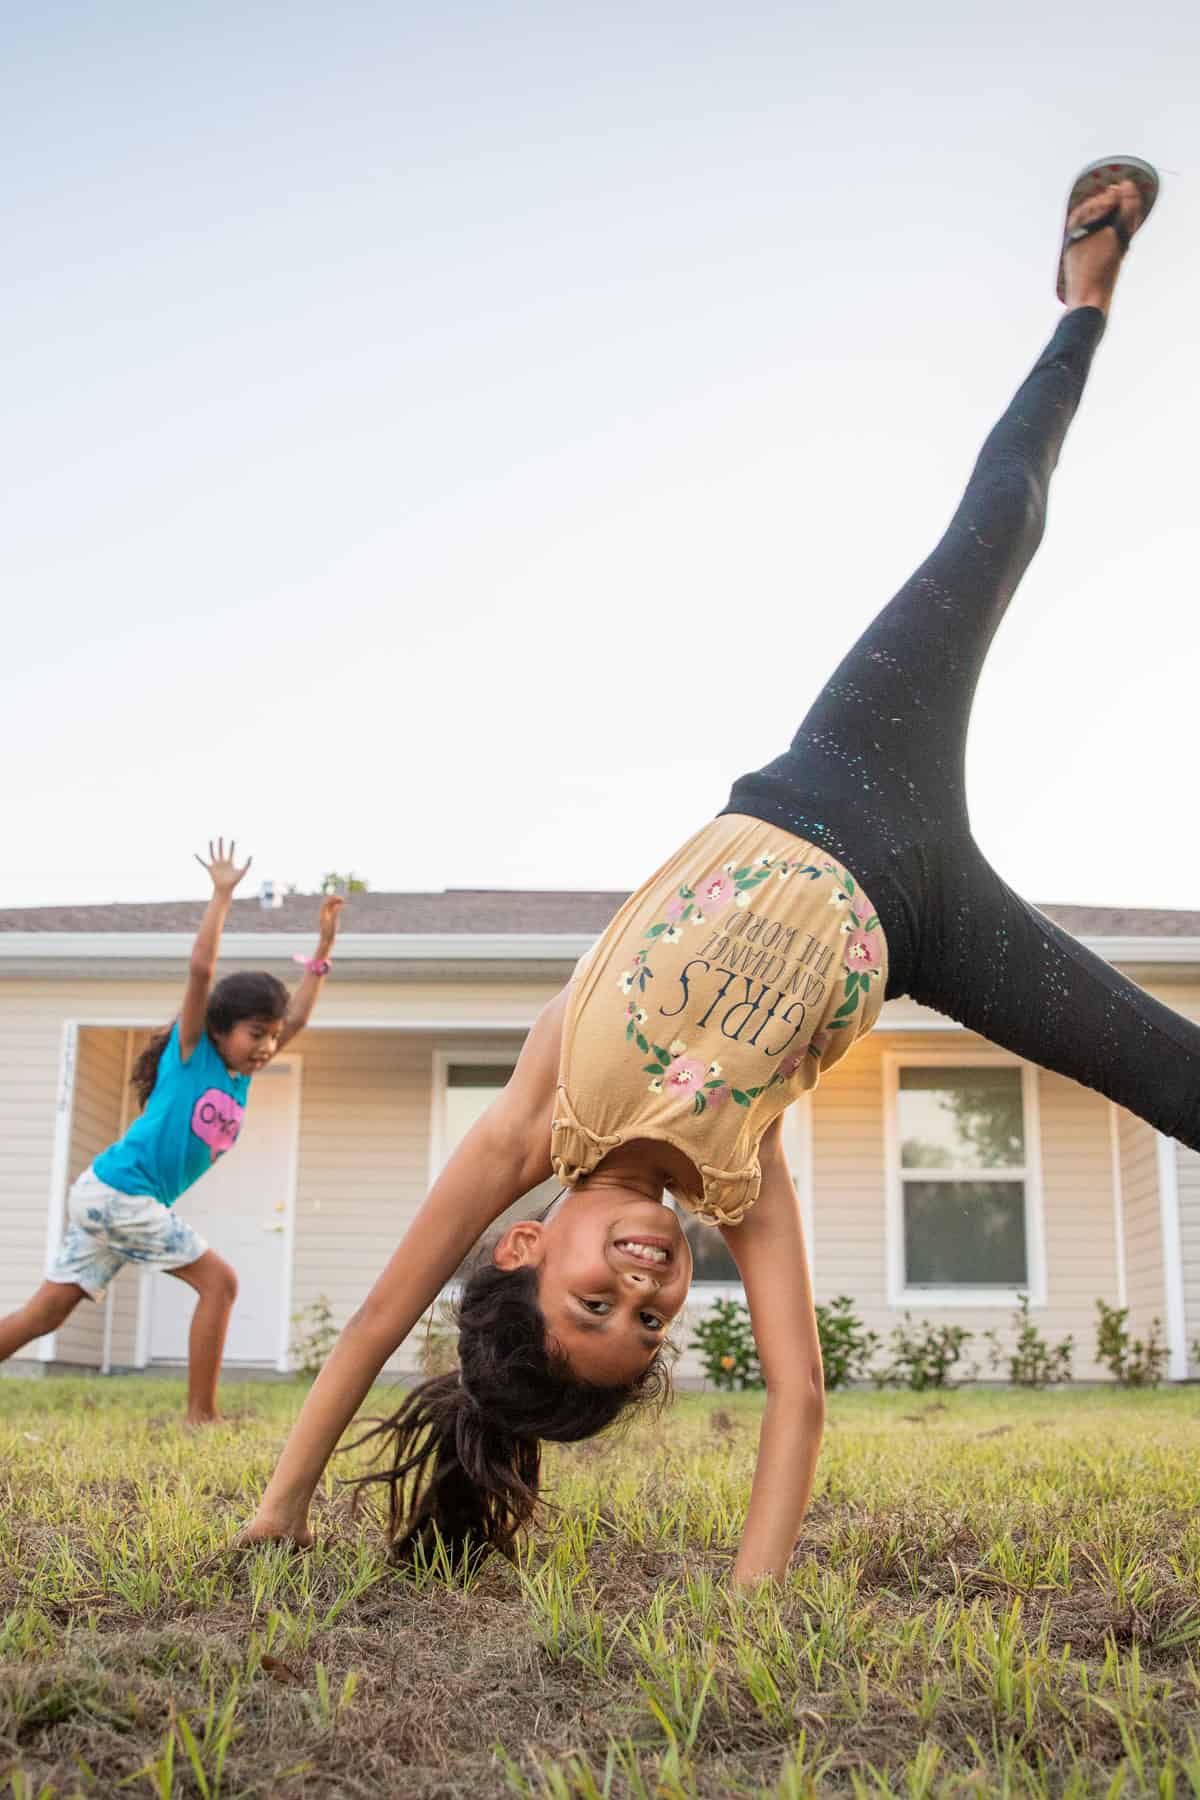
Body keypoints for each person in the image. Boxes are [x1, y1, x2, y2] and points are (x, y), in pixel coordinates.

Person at [244, 158, 1180, 1578]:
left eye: (590, 1308)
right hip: (928, 916)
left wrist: (278, 1505)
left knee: (1000, 527)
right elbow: (797, 1396)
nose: (642, 1296)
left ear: (521, 1248)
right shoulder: (745, 1184)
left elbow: (376, 1321)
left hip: (848, 771)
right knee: (1178, 1078)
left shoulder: (532, 1126)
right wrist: (749, 1604)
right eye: (651, 1331)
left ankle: (1081, 304)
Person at [0, 841, 343, 1422]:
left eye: (272, 1036)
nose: (266, 1047)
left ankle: (198, 1412)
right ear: (217, 1028)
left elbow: (301, 1017)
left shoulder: (237, 1076)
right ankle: (200, 1416)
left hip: (109, 1198)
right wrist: (222, 894)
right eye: (255, 1033)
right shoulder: (192, 1056)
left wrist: (323, 949)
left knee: (47, 1313)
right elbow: (201, 970)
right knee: (221, 1283)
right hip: (118, 1194)